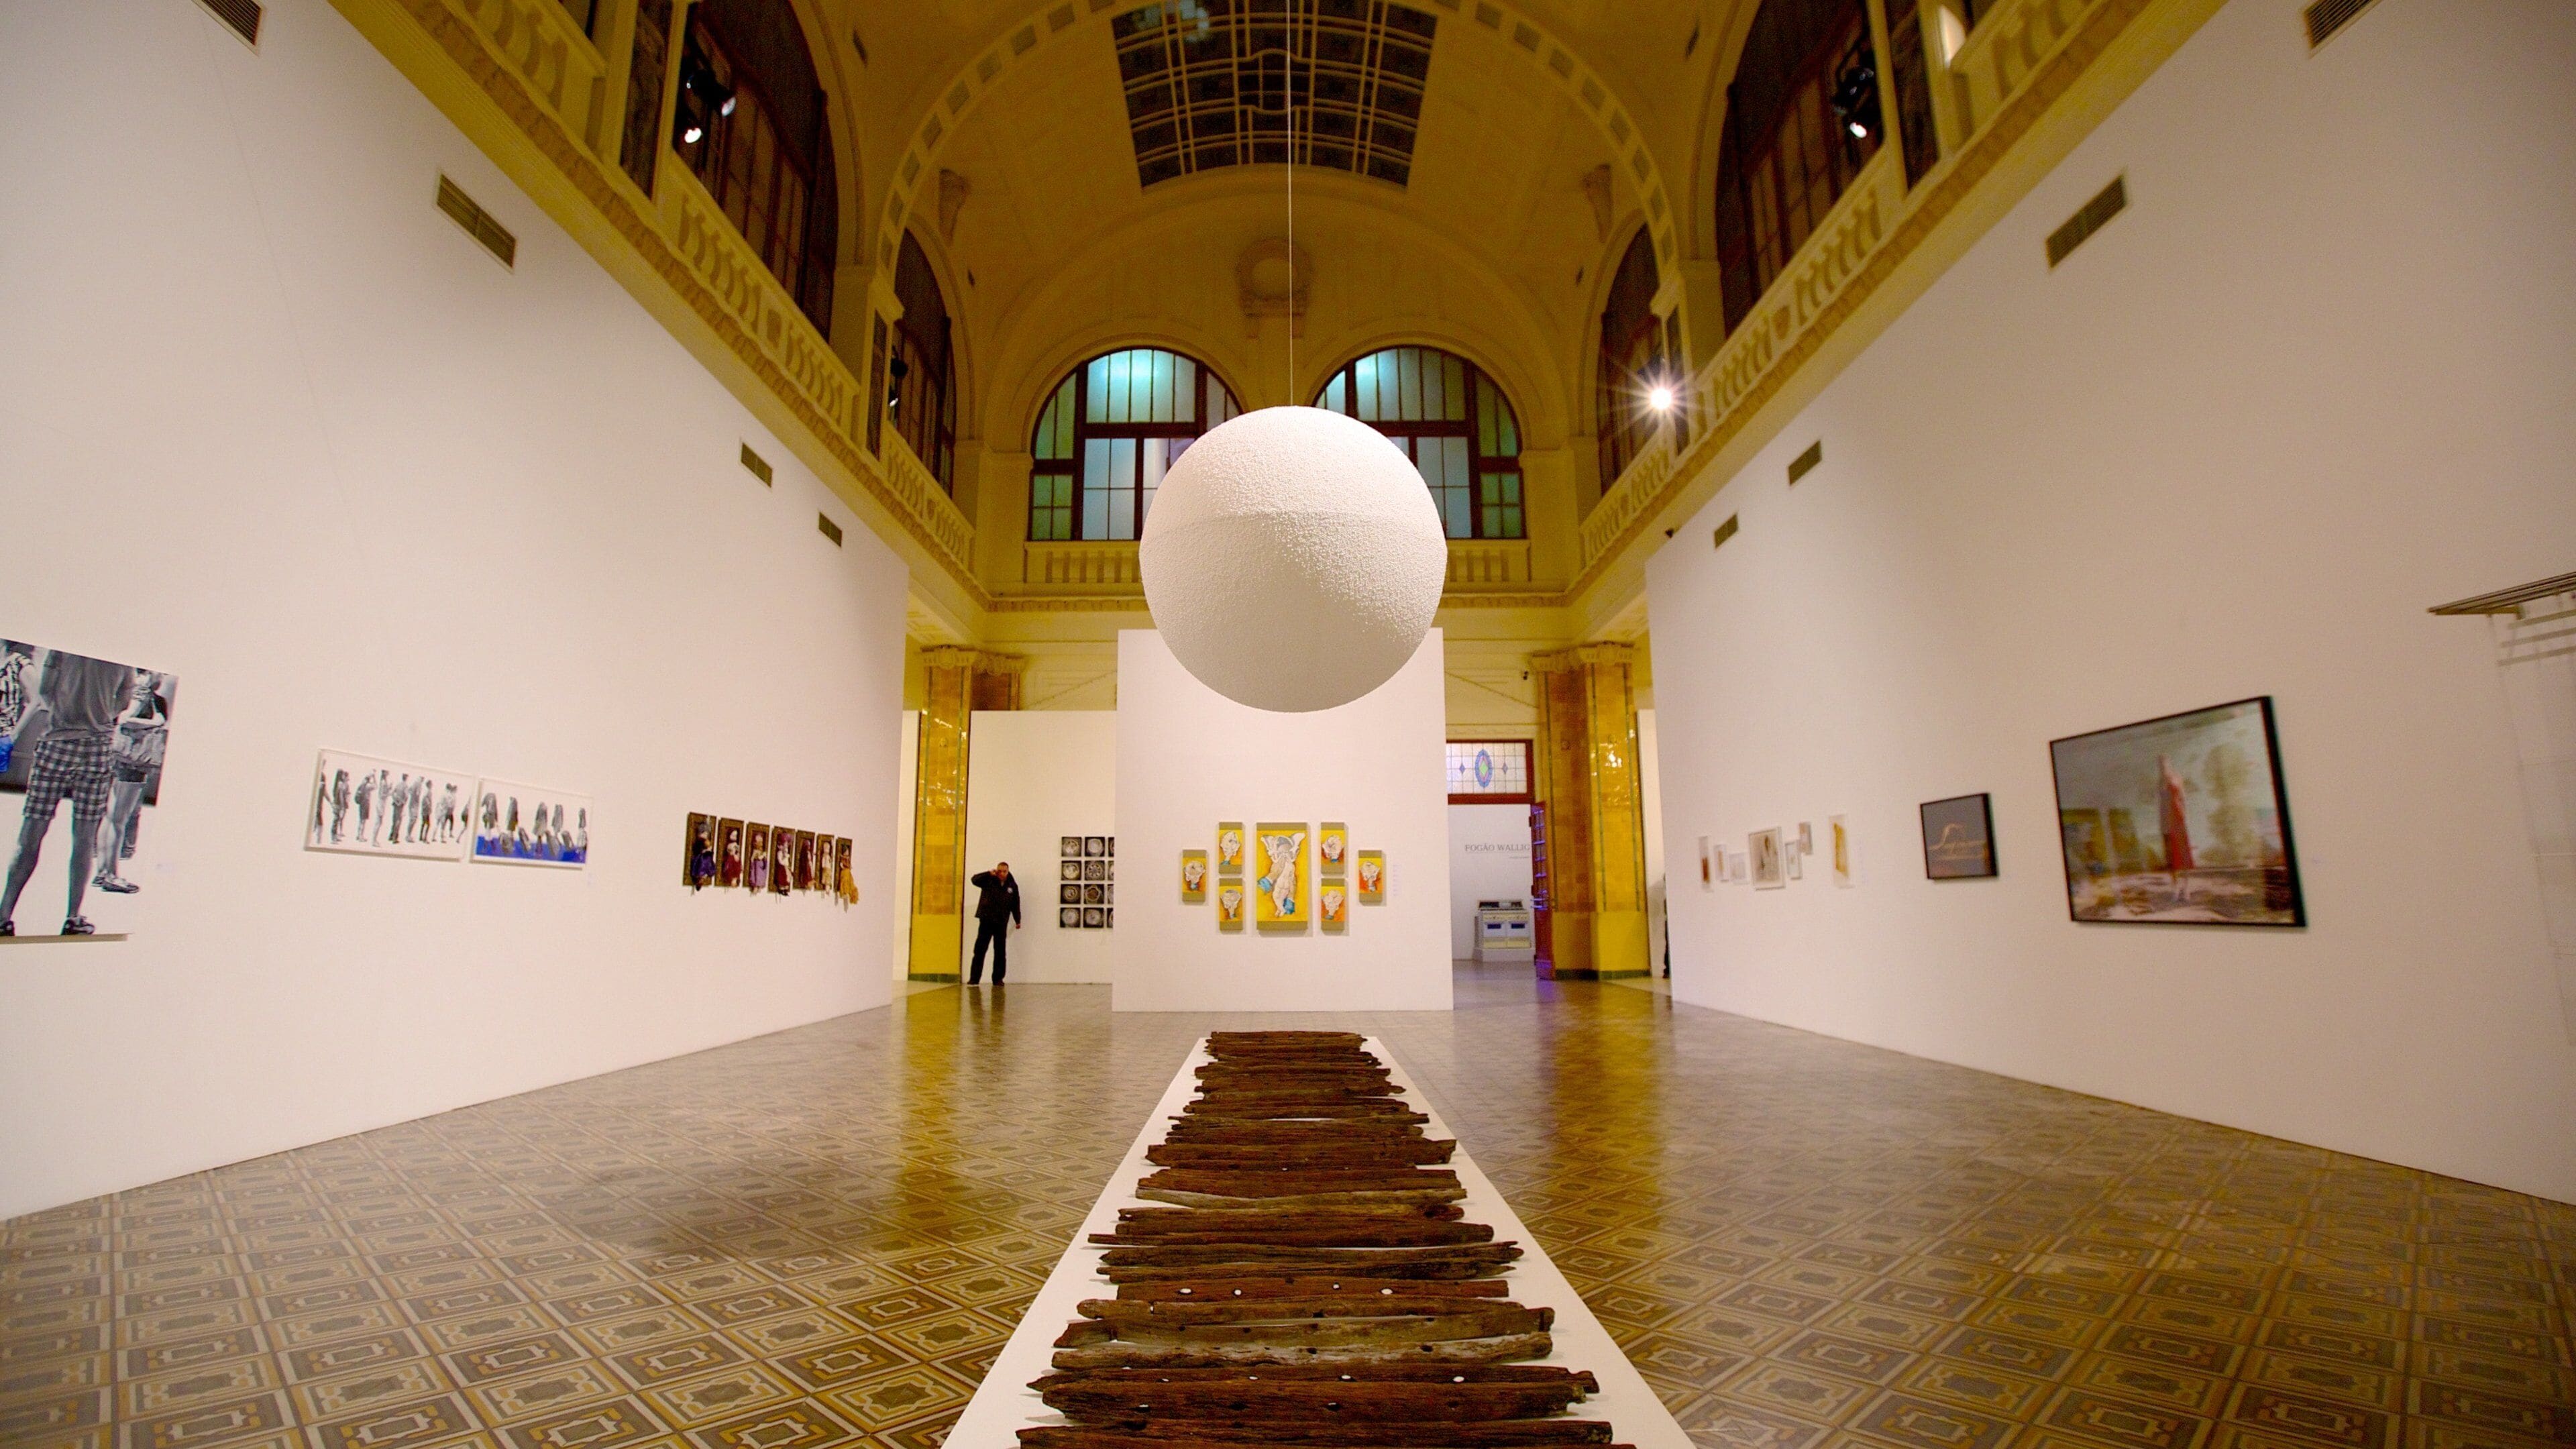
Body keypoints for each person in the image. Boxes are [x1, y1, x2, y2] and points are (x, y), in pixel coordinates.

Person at [0, 653, 138, 936]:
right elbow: (122, 703)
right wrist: (96, 716)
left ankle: (4, 916)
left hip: (56, 743)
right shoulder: (124, 658)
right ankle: (73, 917)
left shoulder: (62, 652)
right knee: (84, 839)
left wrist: (69, 715)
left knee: (31, 834)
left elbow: (46, 693)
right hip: (96, 747)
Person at [966, 861, 1020, 985]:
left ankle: (998, 979)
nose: (1002, 873)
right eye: (999, 871)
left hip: (1001, 922)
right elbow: (974, 880)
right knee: (980, 950)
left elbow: (1015, 903)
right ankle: (974, 978)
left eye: (1004, 871)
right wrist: (988, 874)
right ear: (996, 870)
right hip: (986, 920)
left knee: (1000, 951)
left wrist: (1018, 920)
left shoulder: (1012, 885)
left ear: (1008, 871)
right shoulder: (988, 880)